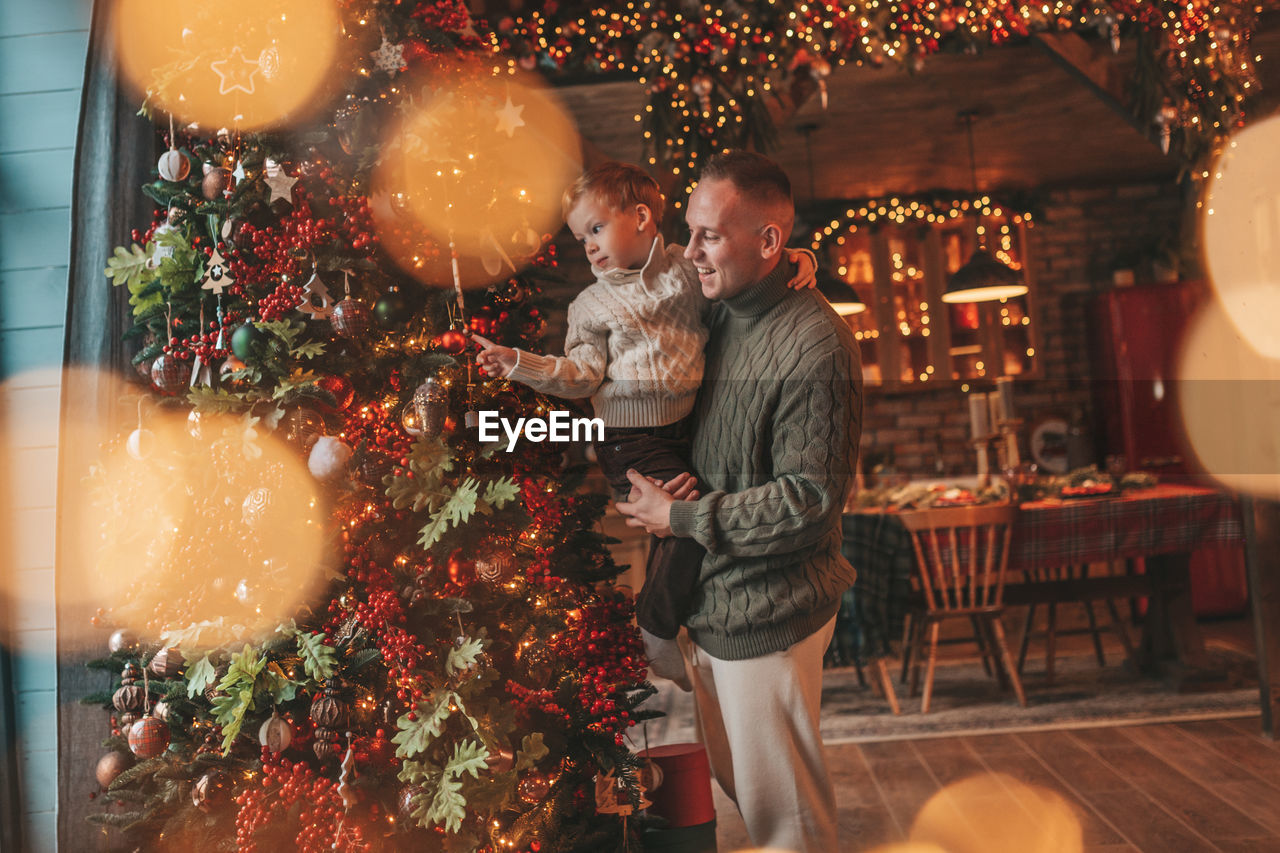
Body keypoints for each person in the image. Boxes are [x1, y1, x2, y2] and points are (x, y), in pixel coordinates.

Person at [472, 161, 815, 691]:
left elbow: (741, 270)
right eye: (580, 236)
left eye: (596, 228)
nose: (587, 245)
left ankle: (662, 617)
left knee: (675, 524)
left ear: (641, 218)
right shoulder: (592, 303)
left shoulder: (684, 269)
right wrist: (519, 362)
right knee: (687, 516)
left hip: (683, 426)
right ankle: (654, 625)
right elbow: (580, 373)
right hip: (626, 436)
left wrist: (793, 258)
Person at [615, 151, 862, 853]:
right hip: (717, 604)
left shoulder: (816, 345)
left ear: (770, 242)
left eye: (709, 236)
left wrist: (681, 517)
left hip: (771, 611)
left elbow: (809, 500)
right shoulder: (722, 310)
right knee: (749, 795)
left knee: (789, 821)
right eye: (688, 232)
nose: (689, 251)